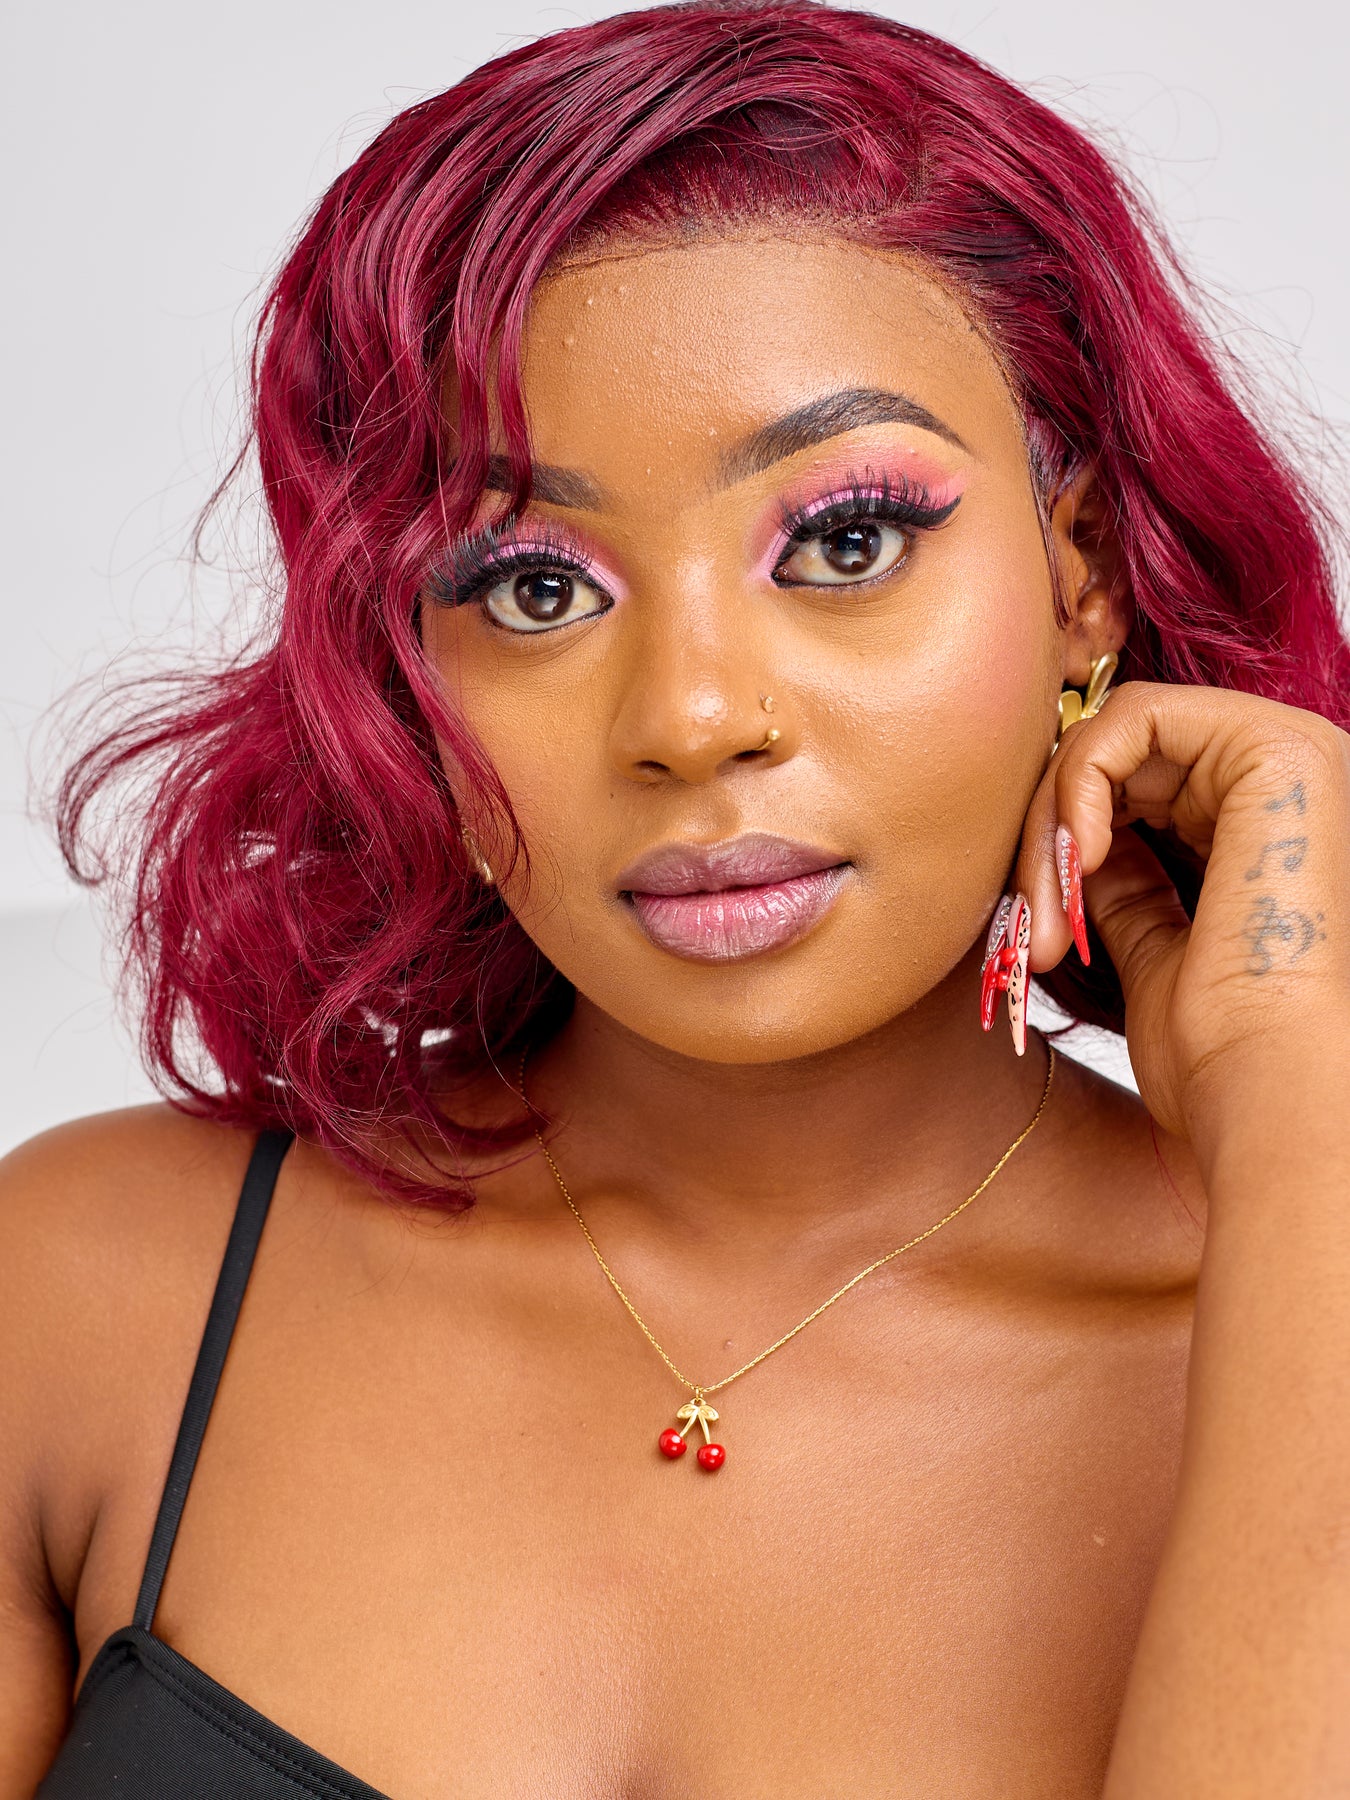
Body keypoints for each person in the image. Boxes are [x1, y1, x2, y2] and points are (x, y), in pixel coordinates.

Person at [6, 2, 1350, 1793]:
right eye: (532, 585)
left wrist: (1304, 1111)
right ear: (402, 662)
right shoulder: (89, 1294)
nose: (694, 718)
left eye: (846, 542)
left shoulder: (1294, 1313)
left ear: (1080, 574)